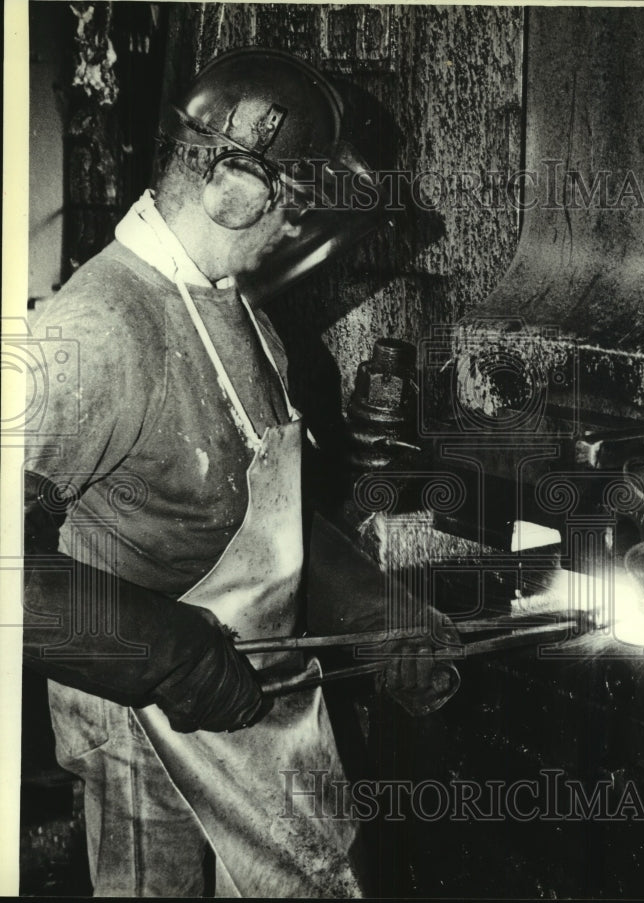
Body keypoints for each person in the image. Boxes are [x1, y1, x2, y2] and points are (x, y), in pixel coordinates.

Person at [22, 47, 455, 897]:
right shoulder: (94, 333)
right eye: (292, 208)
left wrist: (384, 617)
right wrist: (166, 657)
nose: (298, 233)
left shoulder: (238, 309)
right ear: (235, 187)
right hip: (148, 723)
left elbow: (262, 515)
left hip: (255, 694)